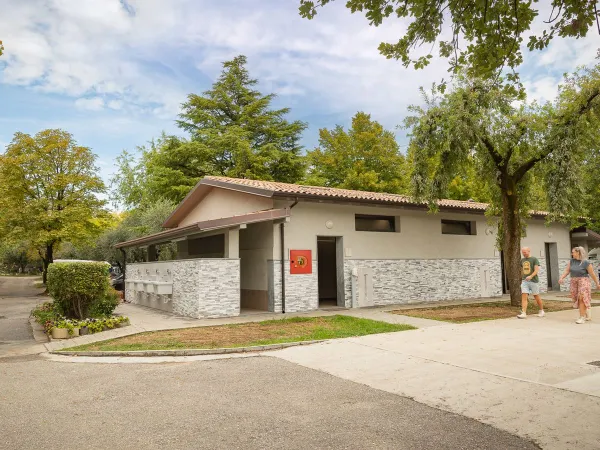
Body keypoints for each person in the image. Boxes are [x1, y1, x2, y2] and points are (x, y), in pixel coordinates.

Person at [559, 247, 600, 324]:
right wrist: (561, 278)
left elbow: (592, 274)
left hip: (583, 280)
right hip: (574, 281)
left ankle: (582, 317)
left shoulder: (586, 262)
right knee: (575, 298)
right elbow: (567, 270)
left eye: (573, 252)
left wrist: (597, 283)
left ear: (578, 253)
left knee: (581, 298)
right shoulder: (571, 261)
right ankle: (586, 310)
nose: (572, 254)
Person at [517, 247, 544, 319]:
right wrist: (522, 277)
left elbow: (536, 270)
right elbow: (521, 270)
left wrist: (531, 276)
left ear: (529, 251)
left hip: (533, 281)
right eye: (522, 252)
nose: (524, 253)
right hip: (525, 281)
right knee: (524, 295)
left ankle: (541, 310)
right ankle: (524, 313)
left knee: (536, 296)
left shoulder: (534, 259)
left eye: (525, 252)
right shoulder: (522, 260)